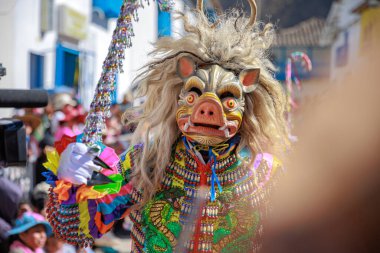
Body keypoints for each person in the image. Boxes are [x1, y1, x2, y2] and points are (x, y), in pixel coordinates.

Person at [42, 0, 288, 252]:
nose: (207, 109)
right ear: (177, 97)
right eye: (193, 95)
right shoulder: (147, 162)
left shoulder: (265, 174)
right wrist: (71, 184)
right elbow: (75, 230)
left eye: (227, 100)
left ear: (246, 103)